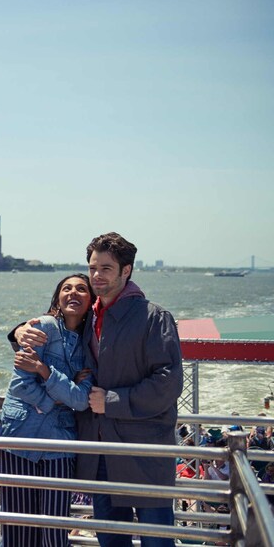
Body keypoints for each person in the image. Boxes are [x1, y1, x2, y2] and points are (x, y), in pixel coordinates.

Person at [14, 232, 183, 547]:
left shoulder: (154, 317)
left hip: (145, 453)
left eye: (106, 268)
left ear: (126, 271)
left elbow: (169, 381)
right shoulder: (88, 315)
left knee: (157, 541)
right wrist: (20, 330)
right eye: (92, 268)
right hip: (99, 453)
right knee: (110, 541)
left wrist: (112, 401)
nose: (96, 276)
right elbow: (51, 331)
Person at [0, 273, 95, 546]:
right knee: (18, 532)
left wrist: (43, 370)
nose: (73, 293)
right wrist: (59, 397)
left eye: (81, 289)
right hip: (19, 438)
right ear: (58, 298)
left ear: (92, 300)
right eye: (66, 288)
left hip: (59, 442)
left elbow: (80, 400)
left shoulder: (92, 344)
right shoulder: (43, 328)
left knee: (55, 532)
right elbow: (19, 386)